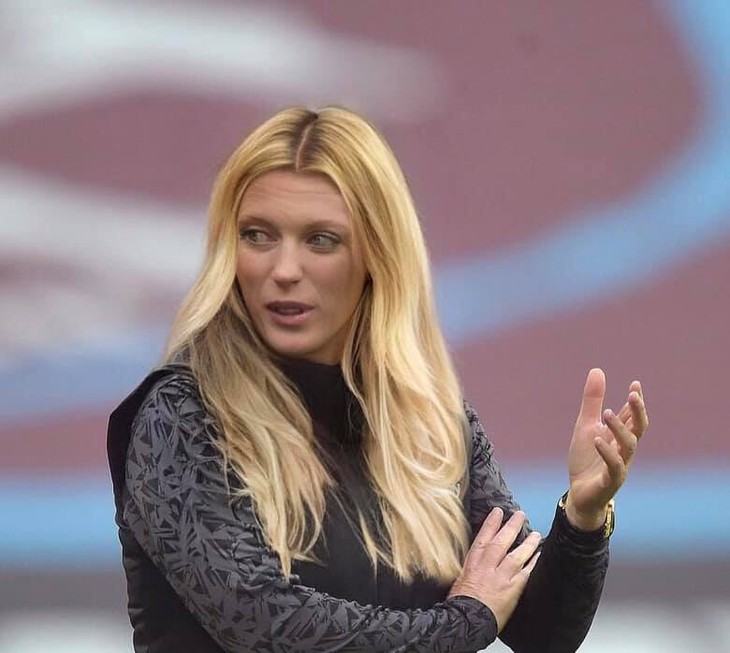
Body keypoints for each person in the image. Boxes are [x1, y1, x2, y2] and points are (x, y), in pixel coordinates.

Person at [107, 106, 649, 652]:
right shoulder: (181, 414)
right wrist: (465, 622)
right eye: (258, 235)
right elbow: (269, 627)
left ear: (377, 254)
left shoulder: (429, 416)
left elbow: (539, 632)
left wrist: (583, 516)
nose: (284, 269)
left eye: (321, 240)